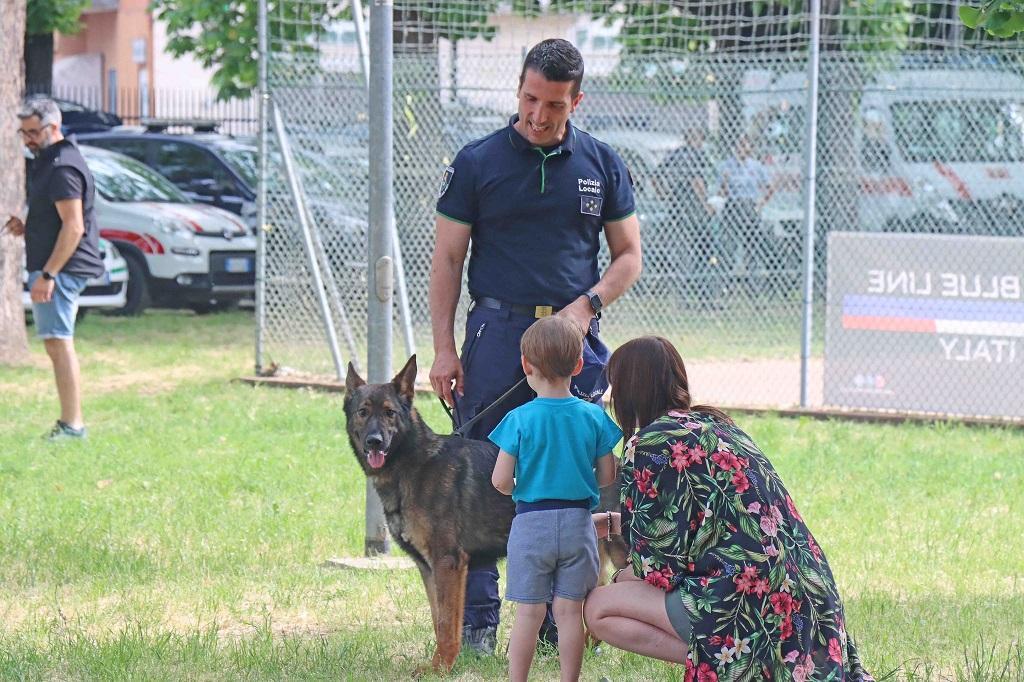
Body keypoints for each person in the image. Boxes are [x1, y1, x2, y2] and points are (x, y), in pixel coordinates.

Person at [429, 38, 642, 652]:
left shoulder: (601, 163)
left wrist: (588, 306)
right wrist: (445, 349)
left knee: (573, 475)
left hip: (574, 336)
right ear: (518, 90)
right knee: (476, 478)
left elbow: (628, 256)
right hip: (496, 334)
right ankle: (475, 625)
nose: (538, 114)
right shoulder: (477, 162)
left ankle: (559, 623)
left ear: (577, 100)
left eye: (553, 104)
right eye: (529, 98)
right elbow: (447, 259)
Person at [584, 337, 874, 680]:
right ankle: (761, 663)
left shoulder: (647, 443)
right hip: (810, 593)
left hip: (746, 599)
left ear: (629, 391)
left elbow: (659, 568)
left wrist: (620, 577)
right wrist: (615, 524)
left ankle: (737, 665)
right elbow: (709, 523)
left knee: (599, 608)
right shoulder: (720, 426)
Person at [489, 315, 621, 682]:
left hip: (531, 525)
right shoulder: (593, 416)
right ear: (579, 365)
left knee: (529, 614)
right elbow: (608, 476)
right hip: (580, 526)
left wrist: (524, 488)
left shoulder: (518, 419)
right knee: (568, 612)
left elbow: (500, 480)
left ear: (526, 365)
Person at [4, 97, 104, 440]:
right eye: (24, 133)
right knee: (55, 342)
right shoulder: (51, 161)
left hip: (61, 269)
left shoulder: (62, 166)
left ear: (54, 127)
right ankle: (70, 422)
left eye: (34, 132)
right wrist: (27, 226)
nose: (29, 139)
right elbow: (55, 217)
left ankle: (73, 425)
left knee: (59, 342)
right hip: (55, 267)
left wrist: (49, 275)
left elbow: (74, 226)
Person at [717, 134, 771, 275]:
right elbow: (721, 193)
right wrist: (725, 181)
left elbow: (769, 188)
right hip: (733, 205)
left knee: (752, 242)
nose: (741, 148)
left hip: (749, 206)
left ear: (749, 148)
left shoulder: (756, 166)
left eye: (745, 145)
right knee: (729, 242)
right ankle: (725, 273)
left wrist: (761, 203)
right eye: (739, 144)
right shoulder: (726, 165)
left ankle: (752, 274)